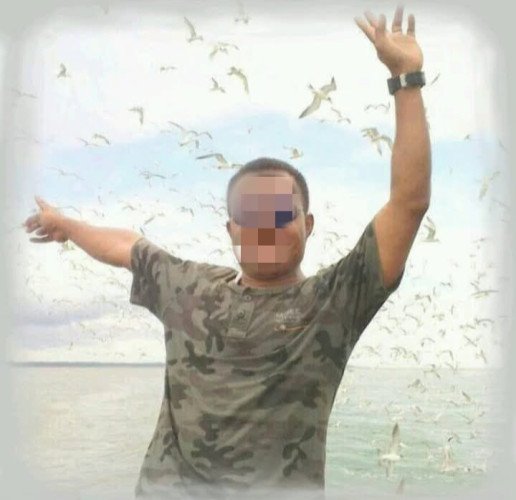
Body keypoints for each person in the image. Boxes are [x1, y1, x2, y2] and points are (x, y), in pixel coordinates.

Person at [23, 5, 430, 499]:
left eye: (280, 212)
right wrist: (67, 224)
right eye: (250, 213)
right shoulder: (187, 286)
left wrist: (406, 81)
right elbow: (128, 246)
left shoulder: (334, 301)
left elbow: (408, 204)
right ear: (231, 228)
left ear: (308, 224)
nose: (265, 225)